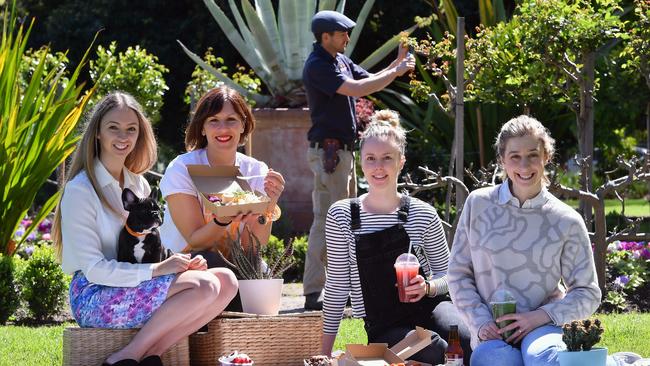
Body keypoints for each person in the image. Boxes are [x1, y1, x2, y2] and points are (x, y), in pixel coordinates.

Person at [53, 92, 238, 366]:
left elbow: (148, 249)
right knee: (205, 284)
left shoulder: (139, 186)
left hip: (137, 285)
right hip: (95, 294)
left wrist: (177, 264)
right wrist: (157, 270)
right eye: (113, 128)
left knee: (226, 282)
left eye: (131, 129)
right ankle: (126, 357)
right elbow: (93, 269)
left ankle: (152, 355)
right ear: (97, 134)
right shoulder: (81, 190)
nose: (123, 137)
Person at [447, 115, 602, 366]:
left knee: (547, 360)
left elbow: (587, 292)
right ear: (502, 160)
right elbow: (458, 274)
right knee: (496, 362)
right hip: (491, 333)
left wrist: (540, 316)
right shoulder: (478, 204)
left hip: (543, 328)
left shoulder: (566, 220)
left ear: (546, 157)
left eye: (533, 155)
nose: (525, 165)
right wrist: (481, 321)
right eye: (515, 156)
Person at [321, 110, 471, 364]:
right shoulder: (342, 216)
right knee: (435, 348)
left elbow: (450, 276)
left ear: (401, 161)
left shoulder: (423, 214)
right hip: (384, 325)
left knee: (464, 340)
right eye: (370, 158)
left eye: (387, 158)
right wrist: (323, 352)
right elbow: (336, 287)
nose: (378, 167)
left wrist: (428, 287)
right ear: (360, 162)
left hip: (432, 308)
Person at [302, 10, 416, 310]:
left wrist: (398, 63)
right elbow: (358, 89)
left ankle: (336, 289)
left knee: (339, 221)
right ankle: (319, 292)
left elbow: (371, 79)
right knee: (333, 222)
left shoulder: (338, 60)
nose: (348, 38)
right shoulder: (318, 65)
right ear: (325, 36)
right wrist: (396, 70)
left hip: (341, 153)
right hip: (330, 154)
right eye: (342, 34)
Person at [159, 86, 285, 311]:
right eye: (214, 120)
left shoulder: (255, 170)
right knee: (214, 263)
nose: (223, 128)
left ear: (244, 125)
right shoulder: (182, 168)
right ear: (203, 128)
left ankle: (253, 337)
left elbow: (252, 248)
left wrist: (270, 204)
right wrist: (223, 219)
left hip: (234, 266)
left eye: (231, 120)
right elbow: (196, 241)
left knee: (259, 273)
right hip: (184, 265)